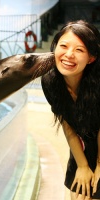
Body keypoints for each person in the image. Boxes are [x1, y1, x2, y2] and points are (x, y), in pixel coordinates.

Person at [41, 20, 100, 200]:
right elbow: (67, 124)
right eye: (64, 46)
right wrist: (82, 165)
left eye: (79, 50)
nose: (68, 54)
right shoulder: (51, 81)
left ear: (91, 58)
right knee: (78, 194)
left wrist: (99, 164)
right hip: (83, 145)